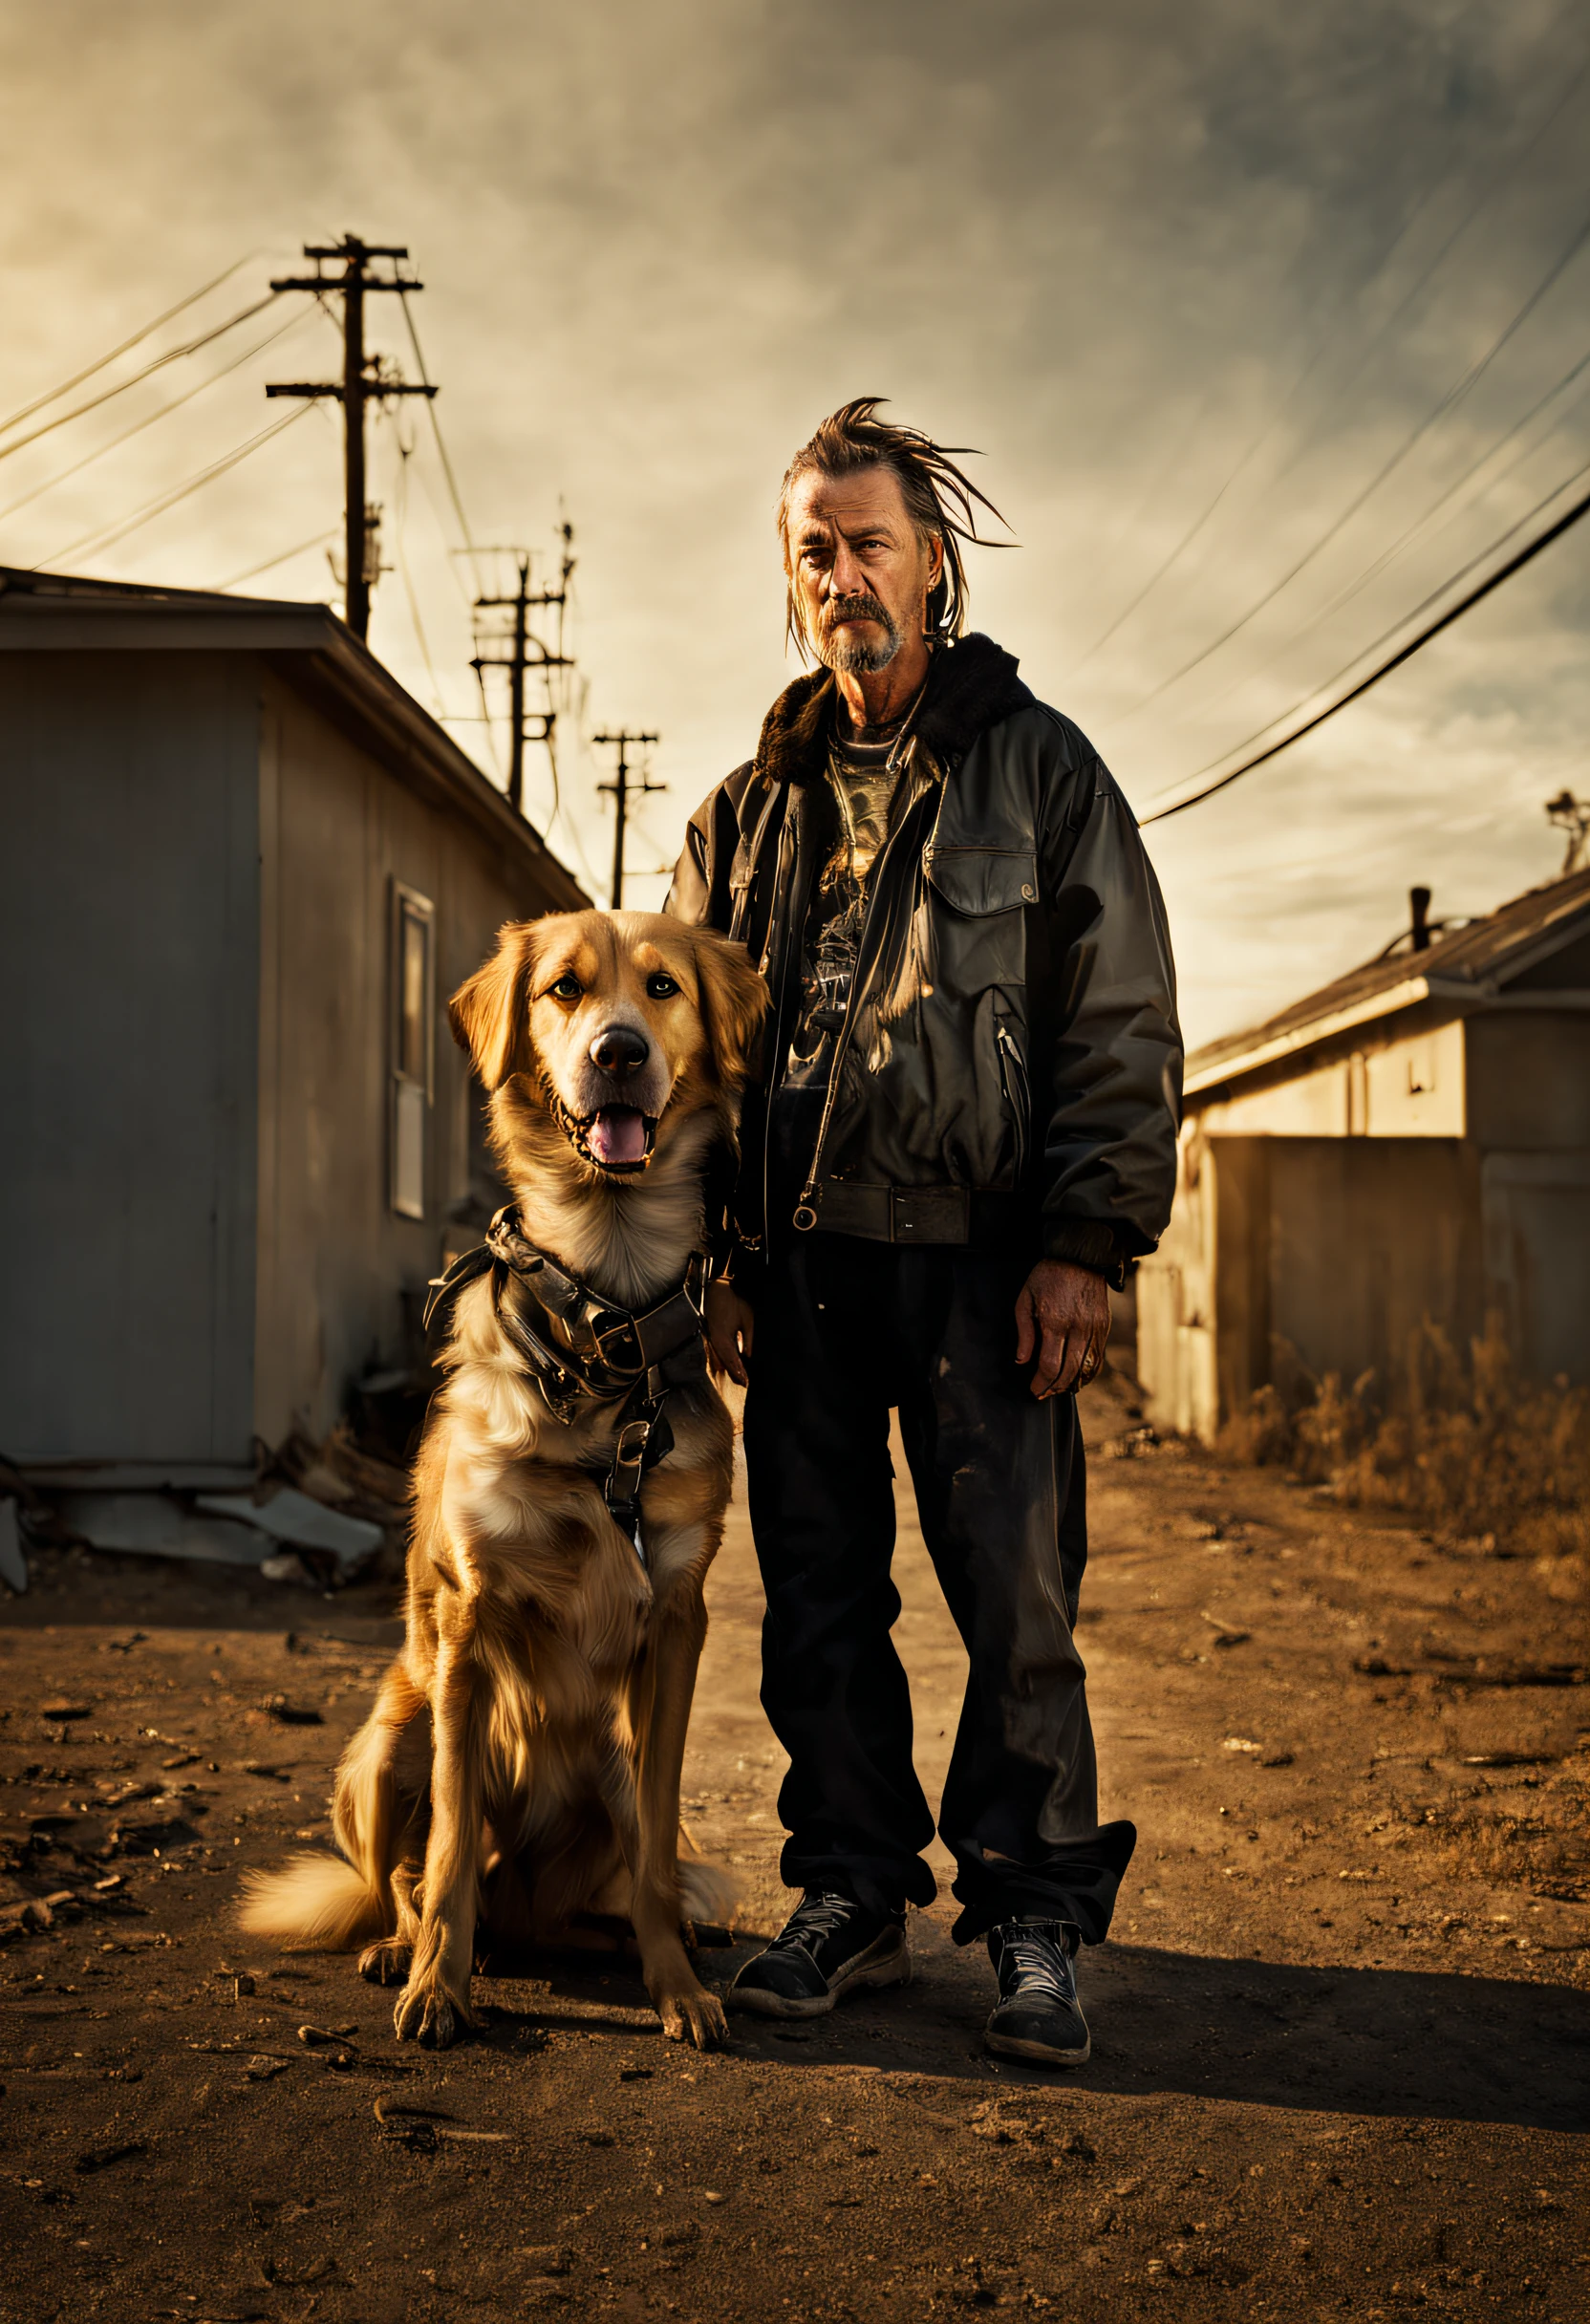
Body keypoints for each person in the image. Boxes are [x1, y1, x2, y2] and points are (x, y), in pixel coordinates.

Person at [666, 398, 1182, 2065]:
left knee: (1015, 1602)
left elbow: (1120, 1019)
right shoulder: (748, 810)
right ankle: (855, 1894)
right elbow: (682, 1054)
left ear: (933, 560)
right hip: (803, 1267)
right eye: (812, 550)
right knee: (816, 1596)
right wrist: (717, 1258)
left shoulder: (1039, 770)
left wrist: (1086, 1242)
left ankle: (1032, 1918)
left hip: (986, 1258)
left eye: (868, 541)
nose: (841, 575)